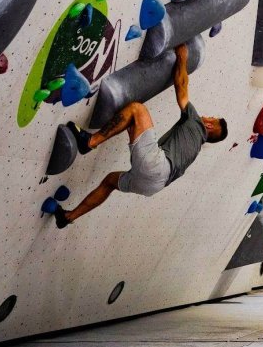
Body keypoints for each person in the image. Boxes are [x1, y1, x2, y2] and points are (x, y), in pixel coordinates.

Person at [53, 43, 228, 228]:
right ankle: (68, 217)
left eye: (211, 117)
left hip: (156, 167)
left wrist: (182, 56)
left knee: (137, 110)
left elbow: (182, 87)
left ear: (209, 125)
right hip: (153, 186)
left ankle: (90, 141)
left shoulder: (196, 124)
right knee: (110, 182)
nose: (206, 116)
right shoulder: (193, 148)